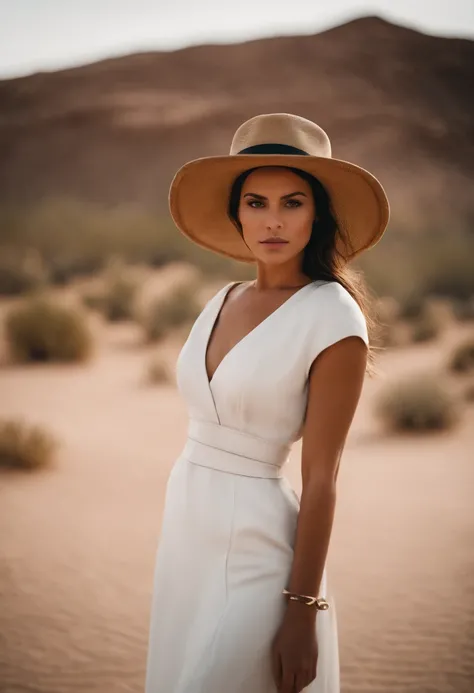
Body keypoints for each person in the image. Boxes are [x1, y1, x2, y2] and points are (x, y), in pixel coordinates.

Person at [144, 113, 390, 693]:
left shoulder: (333, 315)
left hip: (262, 550)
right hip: (186, 533)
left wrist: (304, 610)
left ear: (318, 213)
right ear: (237, 214)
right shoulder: (221, 300)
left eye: (293, 202)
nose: (273, 220)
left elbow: (324, 478)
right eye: (256, 202)